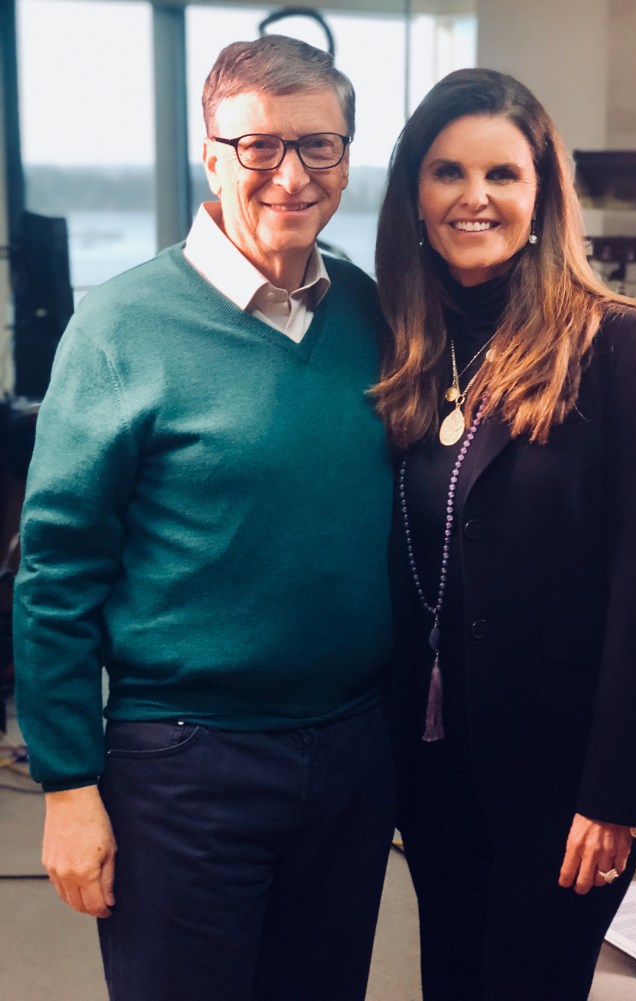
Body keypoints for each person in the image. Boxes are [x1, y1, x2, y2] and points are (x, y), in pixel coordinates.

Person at [13, 36, 395, 1001]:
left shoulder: (369, 310)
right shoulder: (122, 326)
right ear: (211, 152)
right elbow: (57, 570)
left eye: (320, 146)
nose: (292, 175)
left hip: (349, 750)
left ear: (347, 156)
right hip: (185, 763)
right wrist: (66, 783)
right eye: (260, 146)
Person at [373, 68, 636, 1001]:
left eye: (503, 175)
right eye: (448, 172)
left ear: (542, 194)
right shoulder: (407, 346)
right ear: (416, 194)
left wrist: (614, 795)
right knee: (452, 980)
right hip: (440, 764)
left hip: (566, 777)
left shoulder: (615, 343)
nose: (475, 198)